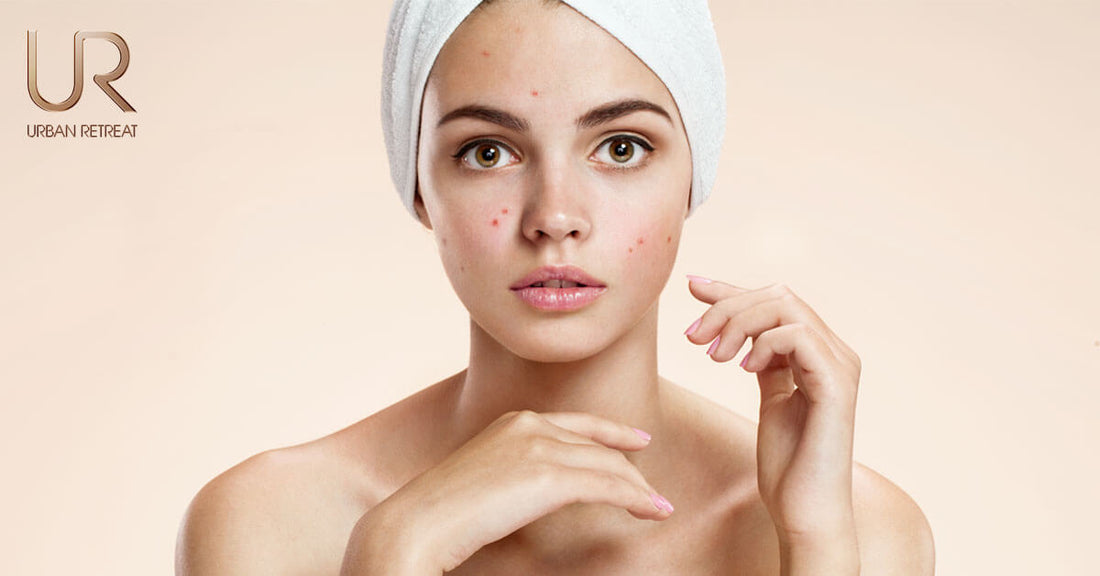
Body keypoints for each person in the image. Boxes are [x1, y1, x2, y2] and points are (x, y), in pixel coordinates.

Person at [176, 0, 935, 574]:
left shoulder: (850, 527)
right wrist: (390, 555)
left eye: (621, 147)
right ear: (418, 187)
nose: (555, 217)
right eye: (487, 152)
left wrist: (813, 545)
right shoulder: (270, 526)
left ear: (693, 176)